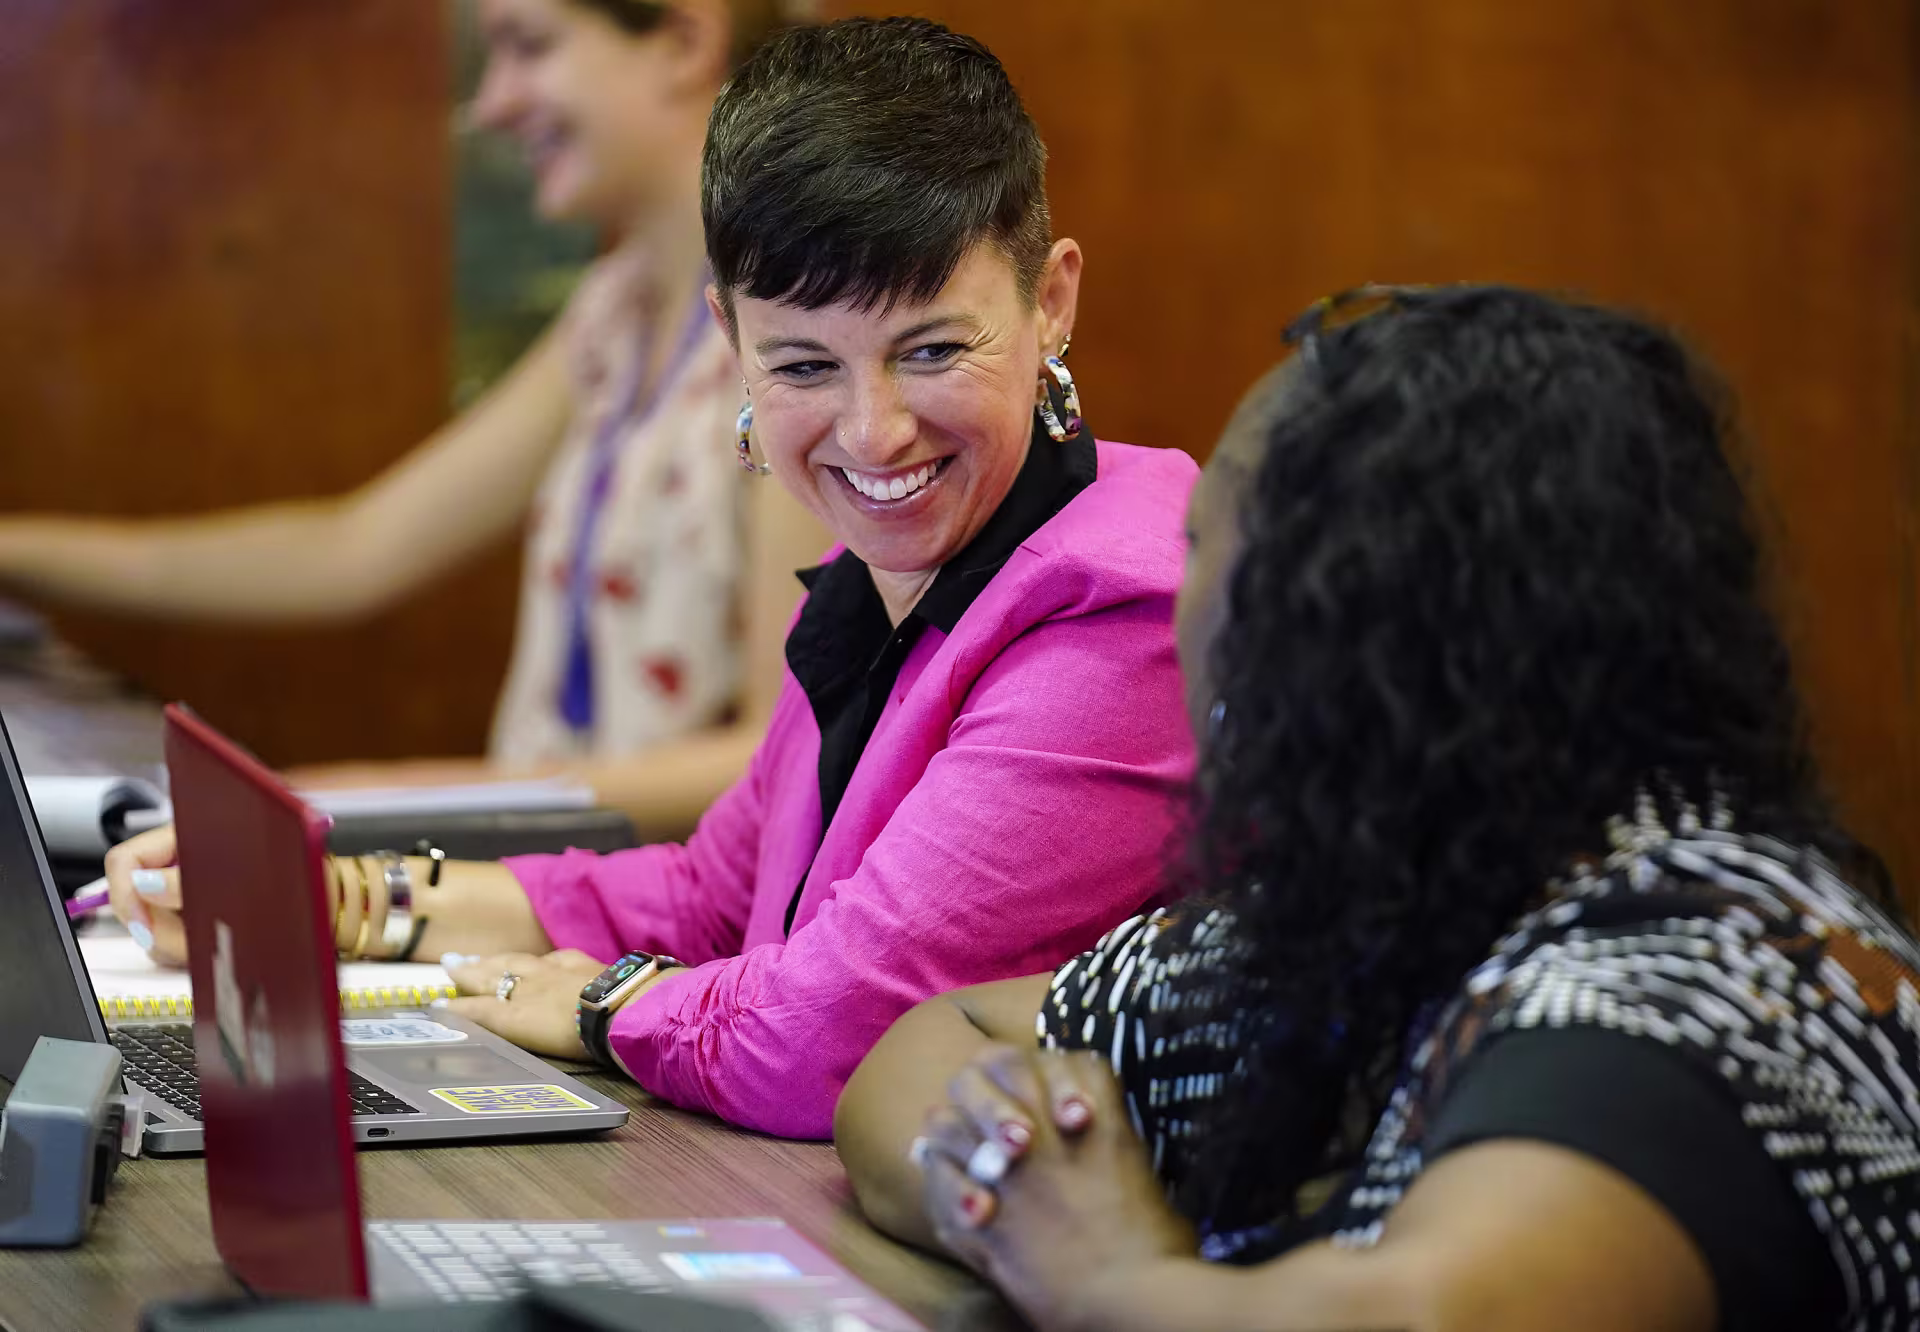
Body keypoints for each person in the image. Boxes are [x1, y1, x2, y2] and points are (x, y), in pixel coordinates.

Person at [107, 16, 1198, 1141]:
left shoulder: (1121, 614)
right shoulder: (883, 573)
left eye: (932, 350)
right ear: (731, 336)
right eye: (803, 365)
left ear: (1051, 303)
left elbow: (829, 1032)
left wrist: (602, 1004)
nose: (873, 436)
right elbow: (709, 901)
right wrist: (346, 904)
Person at [836, 285, 1920, 1332]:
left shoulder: (1716, 967)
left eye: (1204, 541)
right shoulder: (1389, 892)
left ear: (1321, 620)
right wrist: (1019, 1181)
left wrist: (1112, 1278)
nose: (1181, 595)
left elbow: (1426, 1317)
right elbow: (932, 1047)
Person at [0, 0, 829, 836]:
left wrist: (369, 796)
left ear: (684, 41)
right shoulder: (617, 311)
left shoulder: (807, 343)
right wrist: (15, 552)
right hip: (567, 896)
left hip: (696, 938)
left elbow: (769, 755)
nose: (492, 102)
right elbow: (354, 547)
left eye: (529, 47)